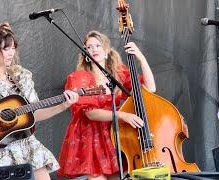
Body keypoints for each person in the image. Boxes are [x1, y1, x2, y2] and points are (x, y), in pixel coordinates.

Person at [0, 22, 79, 180]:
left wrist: (64, 105)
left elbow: (34, 114)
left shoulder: (20, 76)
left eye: (13, 48)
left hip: (23, 144)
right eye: (5, 48)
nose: (11, 53)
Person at [57, 30, 156, 179]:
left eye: (98, 45)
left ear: (107, 51)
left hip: (115, 133)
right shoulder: (79, 77)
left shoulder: (118, 73)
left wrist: (141, 58)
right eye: (89, 47)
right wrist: (122, 115)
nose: (94, 49)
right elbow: (90, 113)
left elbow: (150, 88)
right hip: (91, 135)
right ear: (85, 53)